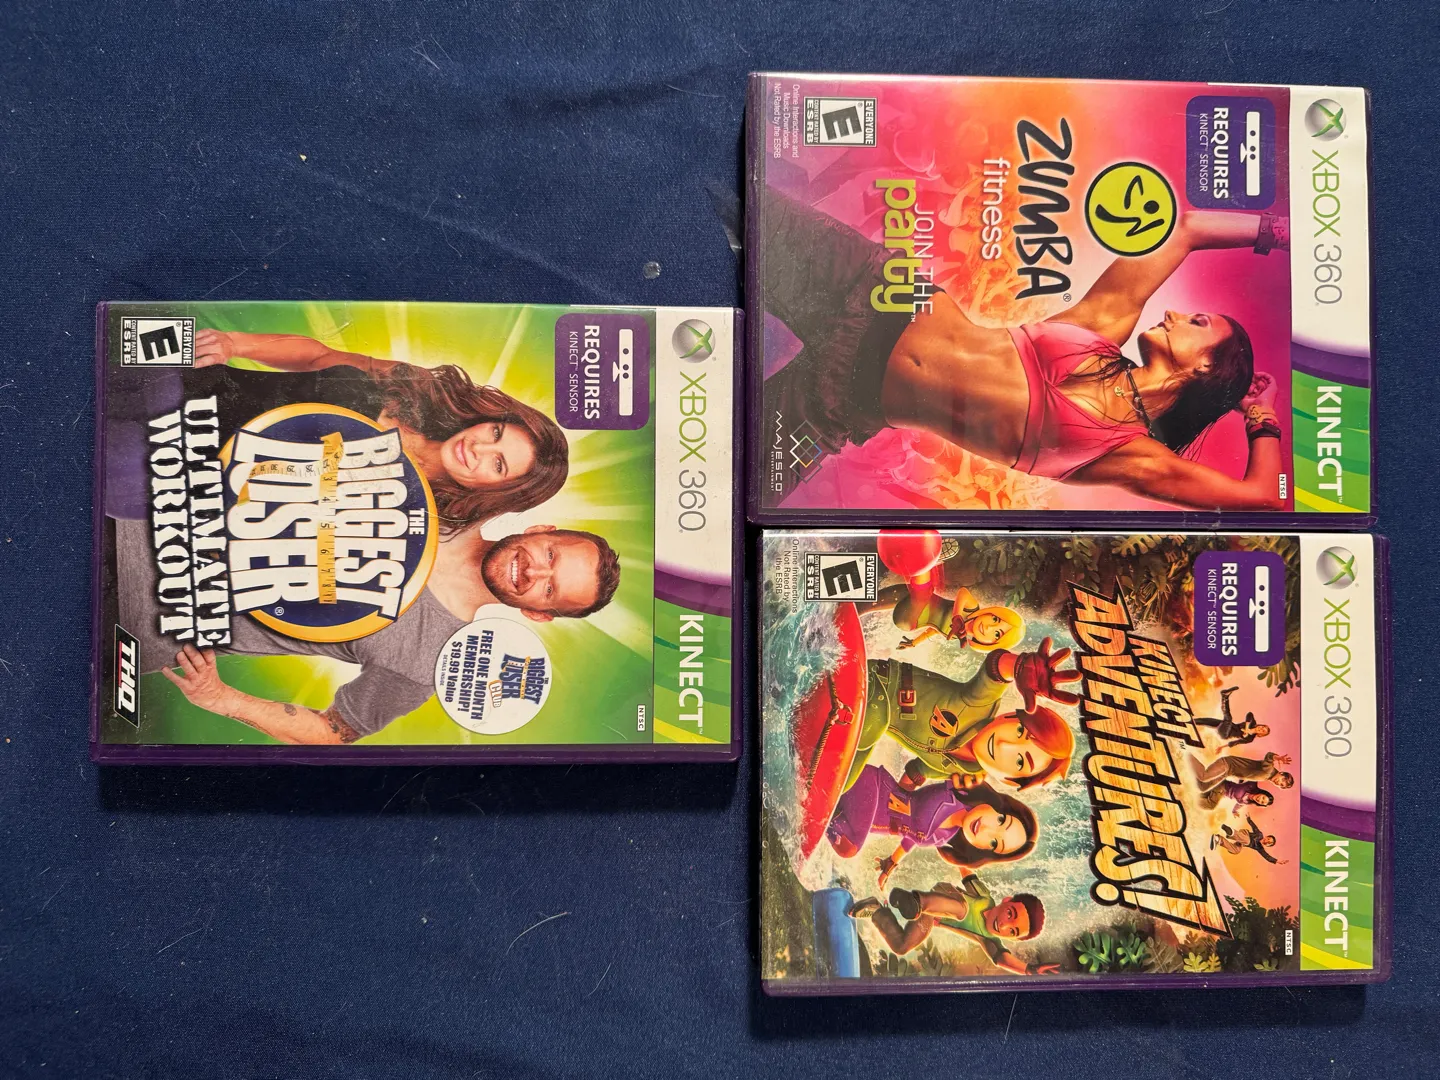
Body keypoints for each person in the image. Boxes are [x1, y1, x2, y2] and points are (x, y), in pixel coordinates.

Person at [762, 191, 1288, 510]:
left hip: (837, 400)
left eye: (1198, 323)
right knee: (741, 203)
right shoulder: (1101, 327)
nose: (1175, 314)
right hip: (876, 289)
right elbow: (1186, 228)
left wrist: (1259, 415)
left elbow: (1261, 495)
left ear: (1205, 365)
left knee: (727, 485)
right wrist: (1283, 232)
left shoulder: (1130, 455)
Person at [118, 519, 621, 744]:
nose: (534, 572)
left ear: (538, 615)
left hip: (142, 622)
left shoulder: (429, 663)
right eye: (551, 555)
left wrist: (222, 699)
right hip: (132, 522)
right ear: (540, 530)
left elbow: (334, 733)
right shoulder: (446, 497)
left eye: (549, 589)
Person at [189, 328, 570, 533]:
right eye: (496, 433)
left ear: (495, 492)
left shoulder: (408, 516)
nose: (478, 448)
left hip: (182, 477)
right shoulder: (422, 389)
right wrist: (232, 343)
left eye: (498, 465)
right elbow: (318, 356)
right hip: (191, 385)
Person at [826, 637, 1079, 792]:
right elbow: (995, 670)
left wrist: (904, 792)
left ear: (1008, 781)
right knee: (862, 740)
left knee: (842, 785)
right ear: (1010, 716)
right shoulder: (980, 704)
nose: (1004, 744)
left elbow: (921, 769)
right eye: (1020, 731)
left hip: (868, 719)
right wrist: (1019, 666)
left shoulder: (965, 770)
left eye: (1020, 762)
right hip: (877, 683)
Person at [826, 765, 1037, 889]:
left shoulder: (945, 837)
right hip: (872, 787)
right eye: (1000, 821)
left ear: (984, 850)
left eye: (994, 843)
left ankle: (824, 813)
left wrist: (891, 863)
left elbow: (911, 839)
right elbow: (926, 765)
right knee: (848, 848)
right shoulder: (955, 791)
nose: (986, 830)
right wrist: (907, 784)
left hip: (863, 820)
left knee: (846, 838)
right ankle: (824, 815)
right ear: (996, 806)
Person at [847, 875, 1058, 975]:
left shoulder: (988, 939)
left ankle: (876, 910)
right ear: (1007, 900)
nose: (1003, 926)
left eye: (1012, 932)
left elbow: (1002, 959)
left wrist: (1029, 969)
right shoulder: (984, 897)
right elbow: (965, 868)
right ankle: (916, 902)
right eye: (1010, 914)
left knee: (901, 946)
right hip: (943, 896)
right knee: (961, 910)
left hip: (930, 916)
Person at [860, 583, 1024, 654]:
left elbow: (934, 630)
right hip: (914, 598)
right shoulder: (971, 608)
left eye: (997, 634)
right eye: (995, 620)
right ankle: (924, 575)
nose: (989, 628)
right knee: (863, 604)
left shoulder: (958, 636)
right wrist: (957, 616)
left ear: (991, 644)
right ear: (992, 612)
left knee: (863, 608)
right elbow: (963, 593)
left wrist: (914, 643)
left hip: (908, 615)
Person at [1190, 751, 1295, 797]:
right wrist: (1278, 758)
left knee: (1203, 787)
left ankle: (1185, 769)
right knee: (1203, 776)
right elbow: (1269, 757)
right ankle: (1186, 754)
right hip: (1227, 764)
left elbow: (1251, 772)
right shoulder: (1269, 771)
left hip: (1227, 772)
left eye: (1281, 785)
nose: (1278, 783)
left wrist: (1242, 778)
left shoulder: (1267, 777)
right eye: (1282, 780)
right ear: (1281, 773)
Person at [1194, 687, 1270, 747]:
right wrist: (1247, 728)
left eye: (1263, 731)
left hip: (1226, 734)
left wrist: (1222, 747)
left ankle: (1225, 697)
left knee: (1228, 718)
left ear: (1261, 734)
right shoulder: (1252, 723)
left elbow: (1237, 742)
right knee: (1209, 721)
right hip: (1229, 725)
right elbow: (1249, 714)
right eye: (1262, 727)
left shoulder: (1250, 739)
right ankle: (1192, 721)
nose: (1261, 729)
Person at [1212, 817, 1286, 865]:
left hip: (1242, 842)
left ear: (1268, 845)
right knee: (1247, 841)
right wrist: (1249, 819)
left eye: (1269, 843)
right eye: (1269, 839)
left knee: (1237, 850)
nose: (1267, 841)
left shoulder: (1260, 848)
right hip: (1244, 834)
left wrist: (1277, 861)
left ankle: (1218, 839)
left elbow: (1267, 856)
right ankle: (1232, 832)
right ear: (1267, 837)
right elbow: (1254, 827)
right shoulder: (1260, 834)